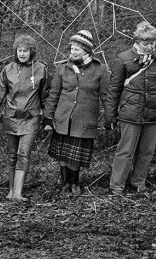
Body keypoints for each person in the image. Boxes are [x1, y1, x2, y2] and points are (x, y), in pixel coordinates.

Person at [105, 21, 156, 195]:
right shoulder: (124, 58)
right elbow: (114, 89)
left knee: (147, 151)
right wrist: (110, 115)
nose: (150, 46)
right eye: (146, 42)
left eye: (152, 42)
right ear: (136, 41)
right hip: (130, 113)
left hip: (155, 113)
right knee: (125, 151)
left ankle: (138, 182)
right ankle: (117, 185)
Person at [44, 30, 110, 195]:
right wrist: (48, 117)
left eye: (76, 50)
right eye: (71, 49)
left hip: (84, 120)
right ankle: (65, 183)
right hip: (63, 119)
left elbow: (106, 96)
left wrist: (110, 117)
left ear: (87, 51)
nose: (72, 53)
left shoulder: (100, 70)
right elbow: (54, 95)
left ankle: (75, 182)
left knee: (74, 157)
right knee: (62, 156)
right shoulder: (62, 69)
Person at [0, 35, 50, 201]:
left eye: (25, 51)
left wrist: (48, 118)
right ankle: (10, 191)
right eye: (19, 50)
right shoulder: (8, 69)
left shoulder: (41, 69)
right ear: (16, 51)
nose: (22, 54)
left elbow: (46, 96)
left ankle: (18, 193)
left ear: (31, 52)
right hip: (11, 118)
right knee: (12, 154)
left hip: (31, 118)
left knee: (24, 153)